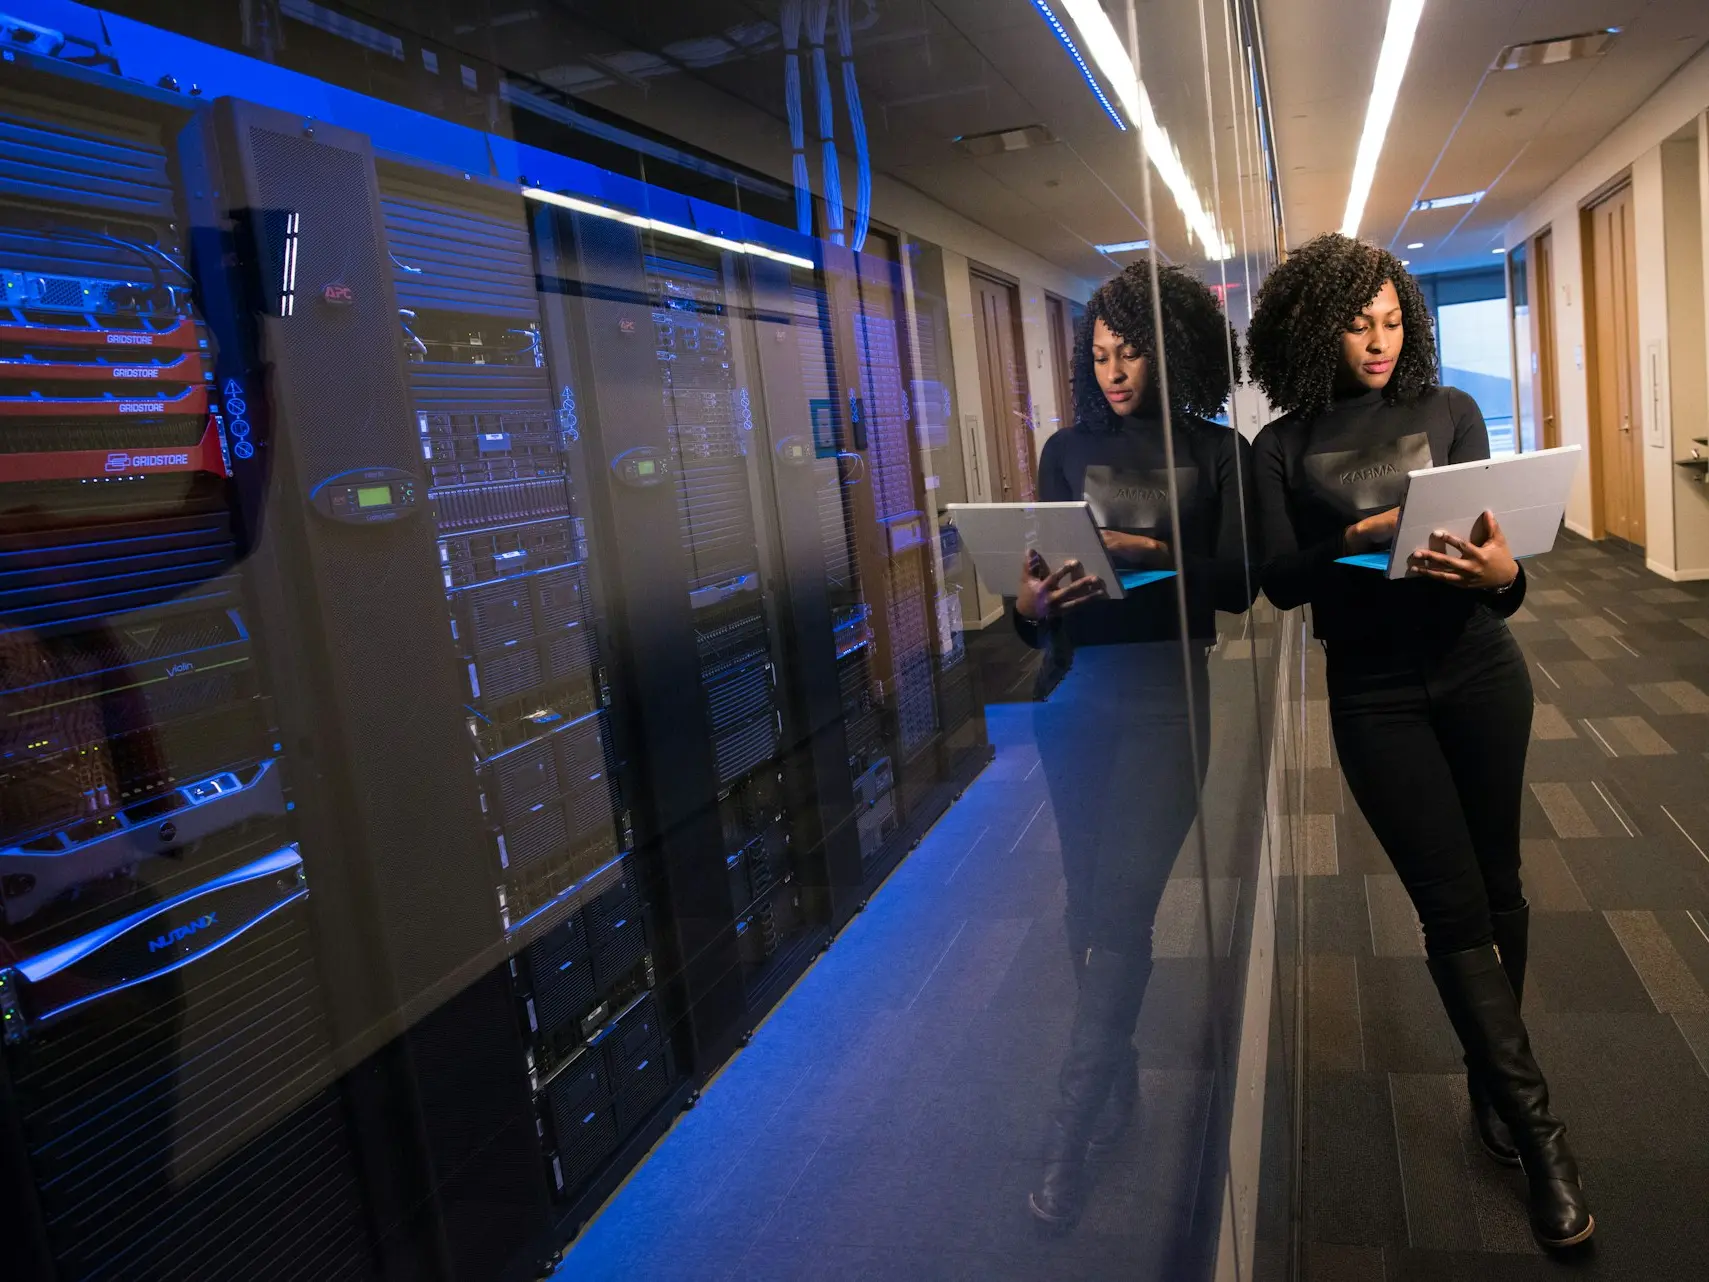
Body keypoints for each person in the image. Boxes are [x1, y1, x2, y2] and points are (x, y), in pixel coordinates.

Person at [1246, 233, 1592, 1249]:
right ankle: (1540, 1140)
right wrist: (1352, 539)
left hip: (1478, 668)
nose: (1379, 341)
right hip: (1373, 692)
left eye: (1393, 321)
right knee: (1448, 909)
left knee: (1499, 886)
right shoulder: (1280, 446)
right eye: (1358, 323)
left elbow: (1501, 564)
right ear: (1315, 327)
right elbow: (1276, 577)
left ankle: (1492, 1080)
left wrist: (1503, 578)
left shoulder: (1449, 413)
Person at [1013, 262, 1255, 1229]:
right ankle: (1115, 1081)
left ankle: (1070, 1129)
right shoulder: (1064, 449)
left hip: (1167, 702)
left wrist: (1151, 556)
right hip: (1074, 695)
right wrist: (1028, 607)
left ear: (1173, 348)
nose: (1115, 372)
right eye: (1101, 355)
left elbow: (1240, 585)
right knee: (1086, 907)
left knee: (1118, 911)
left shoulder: (1213, 450)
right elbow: (1034, 605)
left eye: (1132, 352)